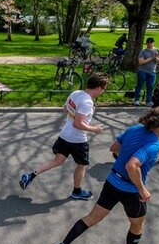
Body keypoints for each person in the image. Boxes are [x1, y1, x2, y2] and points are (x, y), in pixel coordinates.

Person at [51, 106, 159, 244]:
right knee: (137, 224)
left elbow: (114, 148)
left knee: (92, 218)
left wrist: (126, 157)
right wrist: (142, 189)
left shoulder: (135, 128)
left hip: (112, 182)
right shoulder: (155, 145)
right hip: (131, 191)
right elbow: (132, 166)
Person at [19, 72, 110, 200]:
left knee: (57, 160)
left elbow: (65, 109)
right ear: (98, 88)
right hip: (77, 140)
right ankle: (77, 191)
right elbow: (78, 124)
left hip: (65, 136)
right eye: (104, 89)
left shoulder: (76, 93)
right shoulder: (87, 102)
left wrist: (78, 114)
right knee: (82, 165)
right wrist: (95, 129)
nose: (103, 92)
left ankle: (30, 176)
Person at [133, 37, 159, 107]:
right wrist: (151, 58)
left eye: (151, 42)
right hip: (142, 71)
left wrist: (156, 58)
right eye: (148, 42)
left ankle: (148, 100)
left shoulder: (157, 51)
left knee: (150, 86)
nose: (149, 44)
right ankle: (136, 100)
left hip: (152, 72)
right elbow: (141, 62)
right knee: (139, 85)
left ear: (153, 43)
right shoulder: (143, 51)